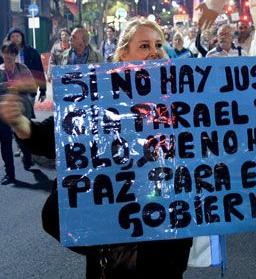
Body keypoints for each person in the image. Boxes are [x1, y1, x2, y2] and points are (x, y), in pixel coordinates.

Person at [0, 19, 193, 277]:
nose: (154, 51)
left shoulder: (182, 100)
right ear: (123, 54)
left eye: (159, 45)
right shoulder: (99, 97)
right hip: (114, 247)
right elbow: (61, 132)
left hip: (165, 245)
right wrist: (24, 127)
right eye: (144, 45)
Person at [0, 41, 36, 183]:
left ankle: (27, 157)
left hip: (20, 109)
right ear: (2, 53)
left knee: (22, 138)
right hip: (3, 111)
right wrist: (6, 85)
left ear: (15, 55)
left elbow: (32, 87)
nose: (8, 56)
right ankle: (10, 174)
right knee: (5, 142)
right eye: (6, 52)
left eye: (11, 53)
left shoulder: (22, 69)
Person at [6, 27, 46, 102]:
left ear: (22, 37)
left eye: (17, 36)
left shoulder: (32, 52)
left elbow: (39, 71)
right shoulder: (5, 53)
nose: (15, 38)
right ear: (9, 38)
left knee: (28, 111)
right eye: (12, 36)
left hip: (29, 89)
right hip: (10, 91)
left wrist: (43, 91)